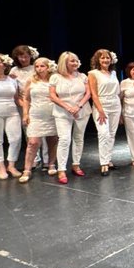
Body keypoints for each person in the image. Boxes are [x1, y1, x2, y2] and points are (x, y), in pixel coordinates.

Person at [49, 51, 92, 183]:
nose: (75, 63)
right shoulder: (55, 77)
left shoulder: (82, 76)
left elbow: (88, 93)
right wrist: (67, 107)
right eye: (72, 61)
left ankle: (76, 164)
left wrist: (78, 106)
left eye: (76, 60)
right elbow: (52, 95)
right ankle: (61, 169)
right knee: (64, 139)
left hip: (81, 111)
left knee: (78, 138)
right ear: (64, 62)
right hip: (62, 112)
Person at [19, 57, 58, 182]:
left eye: (42, 66)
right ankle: (27, 169)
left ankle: (51, 163)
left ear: (48, 67)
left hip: (52, 114)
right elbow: (26, 98)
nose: (39, 69)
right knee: (33, 142)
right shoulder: (31, 80)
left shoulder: (54, 79)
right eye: (37, 66)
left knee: (52, 140)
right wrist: (25, 114)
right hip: (36, 114)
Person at [10, 45, 45, 169]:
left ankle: (46, 159)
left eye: (25, 56)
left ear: (31, 56)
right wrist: (21, 102)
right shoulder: (14, 71)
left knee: (44, 131)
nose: (23, 59)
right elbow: (13, 89)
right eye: (20, 56)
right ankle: (35, 159)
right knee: (29, 131)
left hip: (39, 103)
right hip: (22, 103)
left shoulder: (36, 68)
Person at [88, 49, 121, 176]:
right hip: (101, 105)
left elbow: (117, 91)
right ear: (98, 60)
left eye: (107, 57)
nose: (105, 60)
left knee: (112, 134)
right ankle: (103, 163)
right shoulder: (93, 73)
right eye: (102, 58)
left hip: (115, 104)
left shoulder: (113, 73)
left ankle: (108, 160)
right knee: (103, 134)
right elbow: (94, 94)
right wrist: (100, 110)